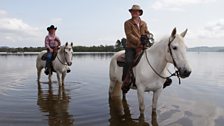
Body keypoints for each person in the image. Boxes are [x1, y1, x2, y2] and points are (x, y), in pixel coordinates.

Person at [122, 5, 151, 93]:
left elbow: (147, 32)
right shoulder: (127, 23)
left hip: (143, 47)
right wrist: (139, 41)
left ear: (139, 13)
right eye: (133, 11)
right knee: (129, 61)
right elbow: (129, 35)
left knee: (151, 59)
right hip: (131, 47)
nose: (134, 12)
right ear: (131, 12)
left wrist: (148, 37)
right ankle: (126, 80)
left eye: (136, 11)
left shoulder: (144, 23)